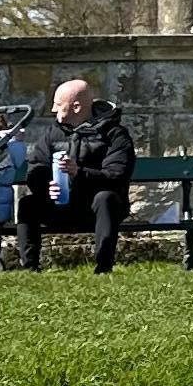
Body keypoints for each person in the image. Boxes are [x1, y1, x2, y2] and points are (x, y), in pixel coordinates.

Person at [17, 78, 138, 272]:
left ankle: (103, 267)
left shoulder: (114, 135)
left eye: (58, 104)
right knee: (28, 204)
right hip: (62, 205)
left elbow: (116, 176)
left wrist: (78, 173)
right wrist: (46, 187)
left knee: (105, 198)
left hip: (96, 209)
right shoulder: (52, 133)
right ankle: (30, 268)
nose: (53, 110)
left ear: (76, 107)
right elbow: (36, 167)